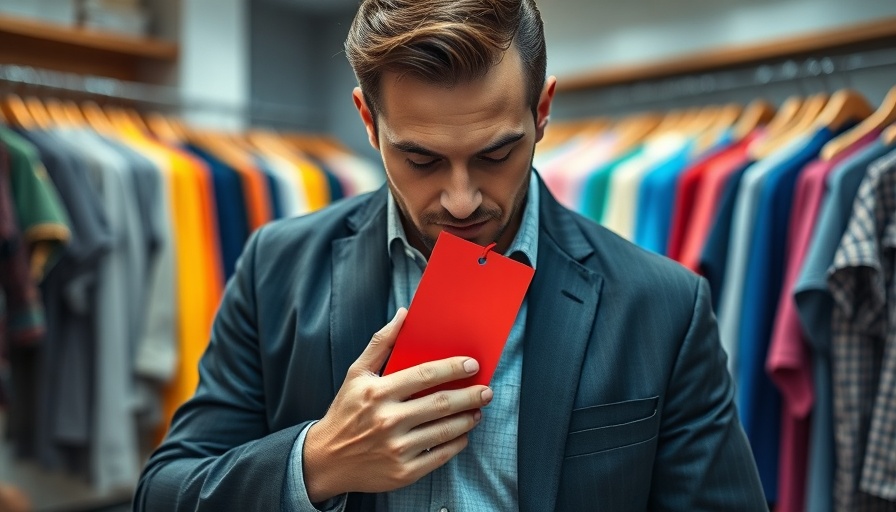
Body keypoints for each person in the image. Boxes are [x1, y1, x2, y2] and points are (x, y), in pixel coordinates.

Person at [134, 0, 767, 510]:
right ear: (367, 121)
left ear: (541, 111)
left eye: (495, 154)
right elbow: (164, 492)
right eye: (422, 159)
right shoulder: (276, 266)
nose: (462, 202)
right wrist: (316, 462)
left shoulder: (662, 305)